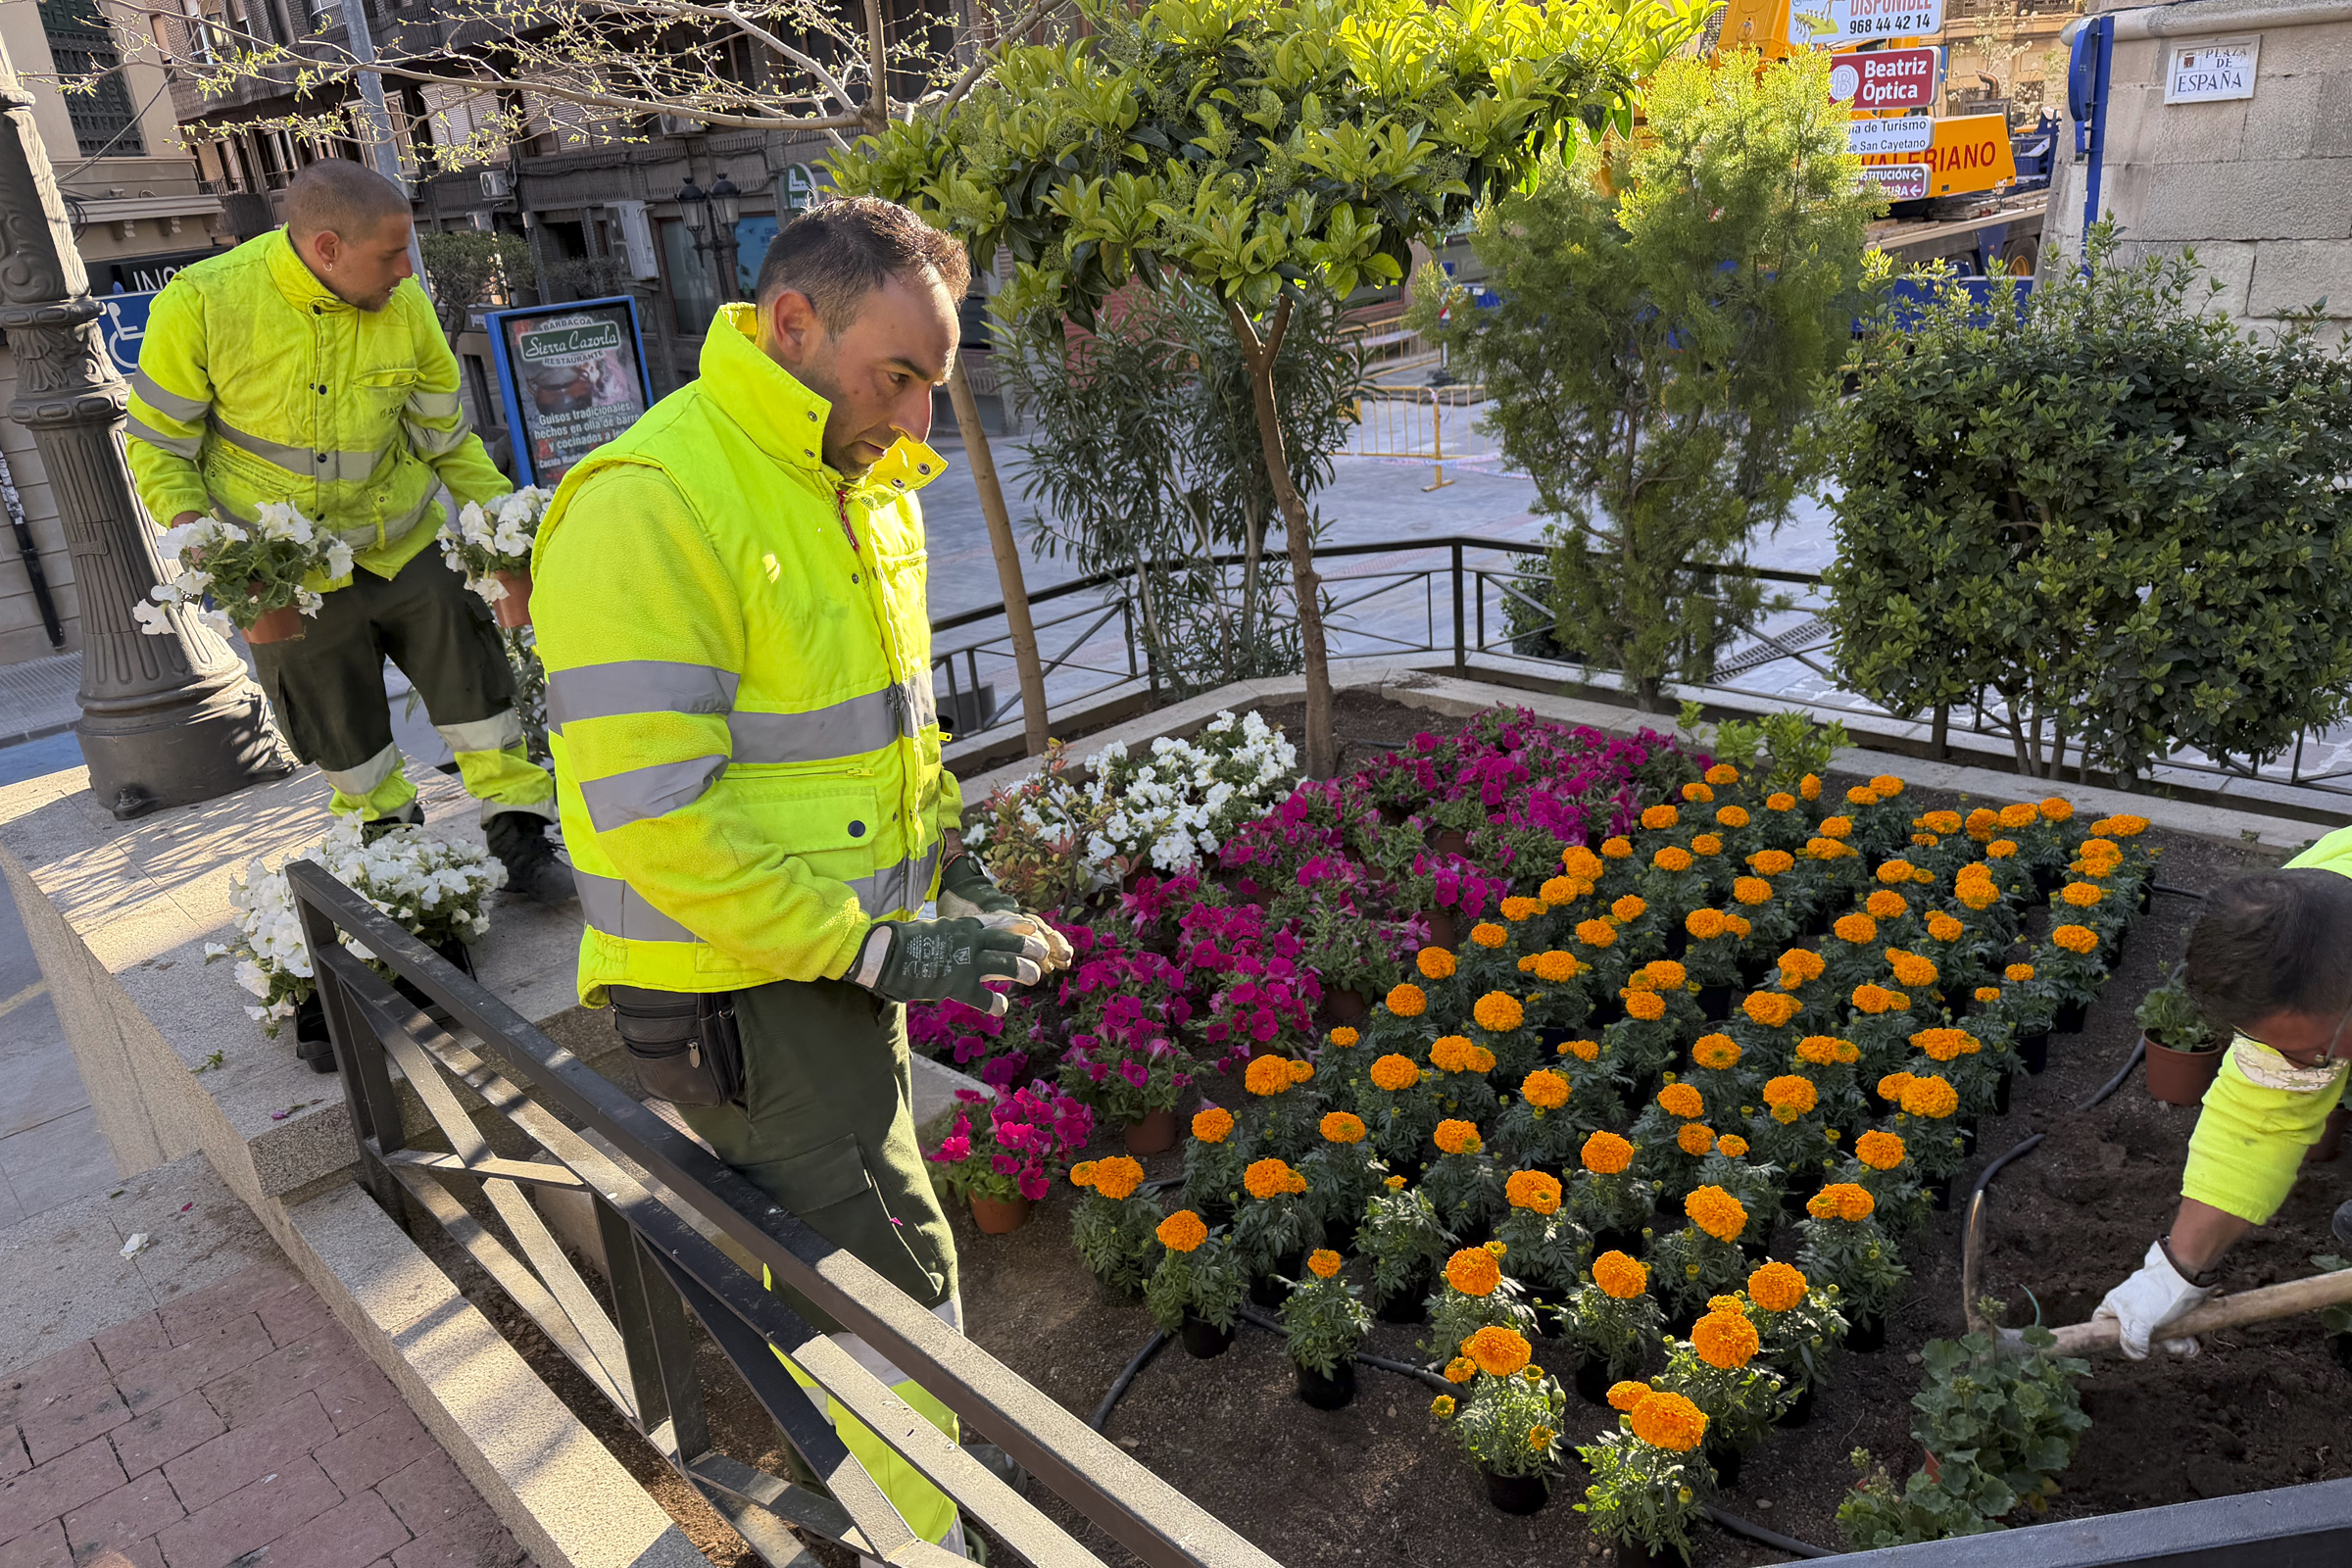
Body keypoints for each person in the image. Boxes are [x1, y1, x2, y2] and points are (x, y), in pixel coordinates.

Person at [529, 196, 1071, 1560]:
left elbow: (858, 758)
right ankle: (923, 1546)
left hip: (805, 976)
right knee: (896, 1301)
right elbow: (659, 818)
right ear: (790, 324)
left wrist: (939, 892)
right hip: (747, 999)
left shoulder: (837, 481)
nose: (921, 423)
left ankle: (895, 1519)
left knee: (854, 1290)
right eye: (901, 377)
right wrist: (891, 949)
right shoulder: (653, 502)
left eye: (935, 387)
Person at [123, 160, 568, 903]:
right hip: (285, 570)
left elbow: (449, 442)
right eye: (390, 256)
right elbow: (159, 444)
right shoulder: (203, 304)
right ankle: (397, 858)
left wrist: (505, 534)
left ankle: (519, 836)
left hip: (402, 540)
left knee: (479, 691)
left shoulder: (408, 309)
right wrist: (207, 546)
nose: (406, 270)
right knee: (340, 726)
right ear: (326, 248)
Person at [2094, 828, 2352, 1357]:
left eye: (2310, 1052)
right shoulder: (2307, 925)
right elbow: (2262, 1113)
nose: (2296, 1068)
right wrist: (2176, 1274)